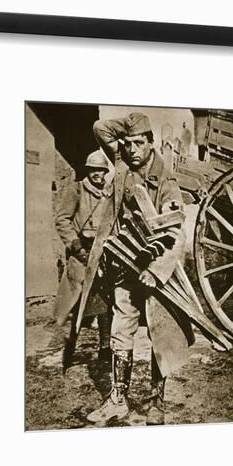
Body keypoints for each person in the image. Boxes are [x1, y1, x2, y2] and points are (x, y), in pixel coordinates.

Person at [85, 112, 194, 425]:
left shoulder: (166, 182)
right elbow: (99, 128)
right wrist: (133, 123)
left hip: (156, 269)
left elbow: (176, 230)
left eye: (138, 143)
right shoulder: (122, 164)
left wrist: (158, 269)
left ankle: (156, 403)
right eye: (127, 144)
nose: (131, 149)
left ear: (151, 144)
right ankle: (118, 400)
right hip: (125, 264)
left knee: (161, 333)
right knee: (121, 330)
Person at [53, 150, 113, 367]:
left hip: (102, 252)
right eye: (94, 170)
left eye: (101, 170)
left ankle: (105, 347)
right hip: (81, 252)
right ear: (88, 170)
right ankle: (69, 347)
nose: (98, 174)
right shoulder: (76, 189)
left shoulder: (108, 192)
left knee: (104, 298)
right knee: (77, 300)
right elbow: (62, 220)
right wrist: (76, 247)